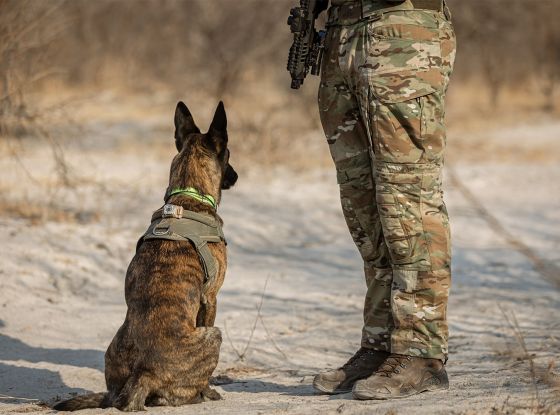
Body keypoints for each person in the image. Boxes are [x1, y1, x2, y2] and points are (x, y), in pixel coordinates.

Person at [312, 0, 456, 400]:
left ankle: (420, 351)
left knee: (407, 200)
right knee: (364, 208)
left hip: (401, 34)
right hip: (343, 32)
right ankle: (380, 344)